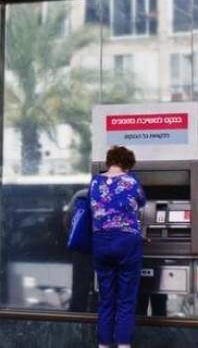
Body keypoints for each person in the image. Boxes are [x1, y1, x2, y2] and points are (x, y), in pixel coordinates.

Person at [90, 145, 146, 348]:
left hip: (101, 242)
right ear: (127, 164)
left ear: (110, 161)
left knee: (106, 300)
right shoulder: (132, 181)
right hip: (126, 242)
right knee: (126, 300)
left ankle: (103, 345)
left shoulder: (95, 182)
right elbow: (142, 203)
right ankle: (123, 345)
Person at [63, 188, 96, 312]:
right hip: (104, 249)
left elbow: (67, 222)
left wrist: (77, 241)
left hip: (81, 250)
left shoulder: (80, 195)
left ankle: (76, 323)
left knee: (79, 288)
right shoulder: (114, 194)